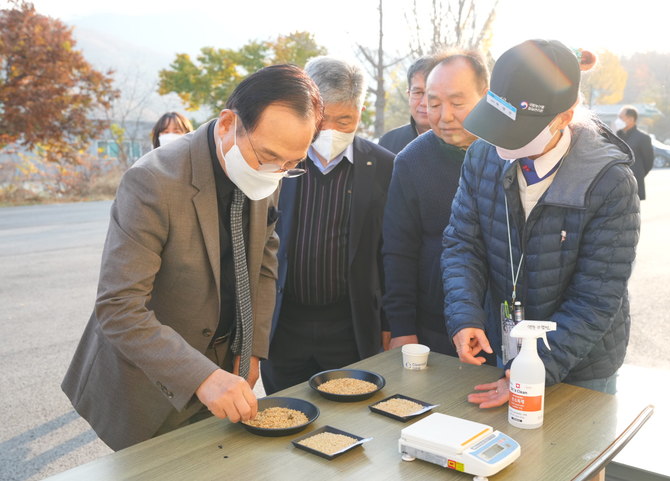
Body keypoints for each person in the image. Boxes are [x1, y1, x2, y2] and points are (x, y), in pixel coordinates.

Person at [62, 65, 323, 450]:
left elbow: (265, 264)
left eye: (291, 164)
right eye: (269, 157)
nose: (276, 172)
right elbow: (118, 306)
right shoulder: (153, 181)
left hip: (224, 371)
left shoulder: (268, 170)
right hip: (150, 382)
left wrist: (250, 349)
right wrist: (202, 376)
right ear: (227, 124)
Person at [441, 39, 640, 408]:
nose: (499, 141)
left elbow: (596, 298)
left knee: (576, 461)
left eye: (514, 130)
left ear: (563, 117)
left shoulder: (609, 182)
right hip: (508, 344)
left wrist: (537, 367)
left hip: (582, 365)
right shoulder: (482, 156)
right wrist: (464, 313)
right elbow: (462, 244)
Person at [260, 56, 394, 394]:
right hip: (283, 324)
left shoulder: (384, 167)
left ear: (360, 113)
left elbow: (391, 252)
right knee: (283, 413)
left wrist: (390, 322)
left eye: (344, 120)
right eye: (323, 119)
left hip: (349, 326)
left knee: (348, 418)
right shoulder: (276, 161)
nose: (331, 130)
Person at [382, 51, 489, 355]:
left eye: (457, 103)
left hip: (505, 321)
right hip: (436, 325)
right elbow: (398, 249)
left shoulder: (512, 153)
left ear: (486, 96)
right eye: (433, 103)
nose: (444, 116)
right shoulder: (411, 161)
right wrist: (402, 329)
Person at [378, 56, 434, 154]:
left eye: (432, 94)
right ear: (409, 95)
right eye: (418, 93)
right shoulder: (388, 143)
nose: (424, 103)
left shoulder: (463, 144)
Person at [615, 105, 654, 200]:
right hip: (616, 185)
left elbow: (648, 162)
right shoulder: (617, 136)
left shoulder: (643, 138)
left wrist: (637, 175)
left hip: (634, 184)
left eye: (621, 117)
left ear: (631, 119)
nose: (618, 120)